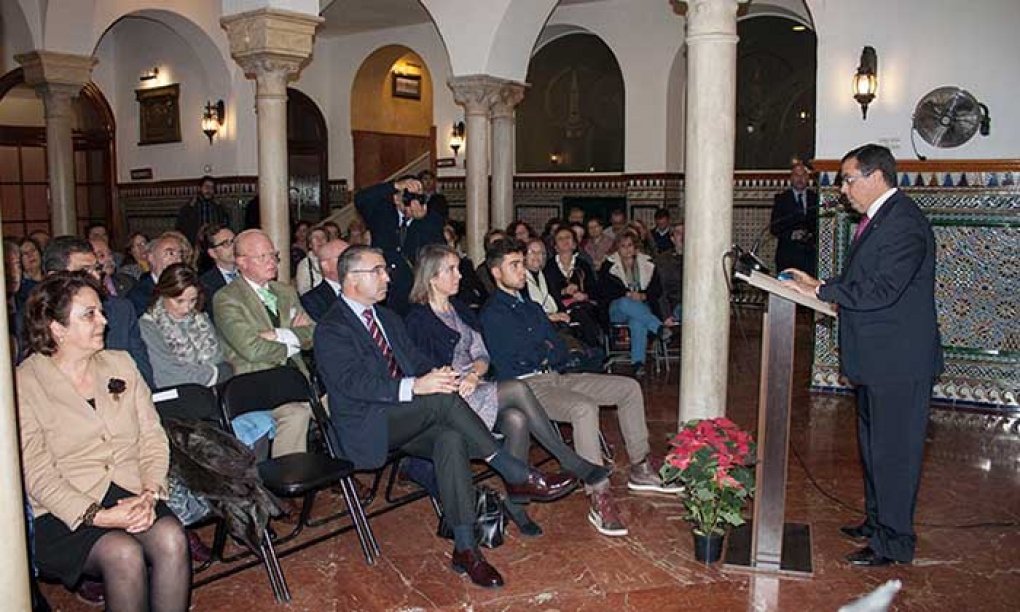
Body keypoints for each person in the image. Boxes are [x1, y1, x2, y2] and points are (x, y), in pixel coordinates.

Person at [314, 245, 577, 588]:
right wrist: (416, 386)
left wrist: (443, 375)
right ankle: (514, 471)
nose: (388, 277)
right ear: (351, 279)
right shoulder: (332, 327)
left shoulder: (388, 318)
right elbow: (351, 383)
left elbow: (417, 361)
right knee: (441, 402)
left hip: (408, 415)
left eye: (385, 270)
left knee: (449, 438)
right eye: (377, 271)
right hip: (368, 423)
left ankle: (466, 549)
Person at [783, 144, 943, 567]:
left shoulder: (904, 222)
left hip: (899, 363)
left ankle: (894, 542)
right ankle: (877, 523)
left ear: (876, 177)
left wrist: (820, 292)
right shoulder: (881, 220)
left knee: (895, 453)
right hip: (877, 361)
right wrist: (820, 284)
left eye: (848, 179)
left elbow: (882, 291)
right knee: (874, 449)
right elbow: (864, 280)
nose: (842, 189)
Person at [405, 245, 612, 533]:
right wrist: (460, 378)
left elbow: (482, 355)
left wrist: (475, 374)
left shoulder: (460, 309)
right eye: (451, 270)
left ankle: (516, 503)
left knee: (517, 418)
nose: (459, 276)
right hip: (448, 399)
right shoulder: (418, 319)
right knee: (515, 389)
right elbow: (421, 369)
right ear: (431, 277)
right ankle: (570, 461)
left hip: (474, 387)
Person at [17, 272, 191, 612]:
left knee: (172, 539)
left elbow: (152, 436)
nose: (104, 321)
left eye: (101, 311)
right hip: (64, 506)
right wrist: (99, 517)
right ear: (57, 327)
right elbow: (36, 473)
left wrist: (149, 493)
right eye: (90, 315)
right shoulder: (24, 383)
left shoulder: (120, 363)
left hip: (130, 488)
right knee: (122, 553)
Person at [480, 239, 678, 538]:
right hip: (528, 388)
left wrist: (546, 350)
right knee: (583, 408)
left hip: (559, 375)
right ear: (496, 272)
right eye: (515, 265)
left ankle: (640, 465)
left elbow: (558, 347)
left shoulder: (532, 307)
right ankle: (598, 494)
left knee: (628, 388)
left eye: (523, 264)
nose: (523, 271)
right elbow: (513, 359)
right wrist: (544, 350)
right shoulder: (492, 314)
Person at [213, 230, 315, 458]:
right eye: (263, 257)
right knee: (296, 414)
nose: (272, 262)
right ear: (241, 262)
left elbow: (313, 333)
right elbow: (252, 350)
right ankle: (289, 477)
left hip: (297, 379)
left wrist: (278, 334)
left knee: (345, 400)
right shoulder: (227, 298)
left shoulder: (286, 291)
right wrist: (293, 338)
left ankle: (345, 470)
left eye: (274, 255)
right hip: (258, 384)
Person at [42, 236, 155, 389]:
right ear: (54, 277)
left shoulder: (120, 310)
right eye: (83, 271)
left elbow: (143, 375)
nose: (95, 276)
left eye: (96, 269)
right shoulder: (36, 317)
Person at [355, 175, 443, 315]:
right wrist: (394, 186)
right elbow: (361, 199)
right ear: (396, 199)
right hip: (384, 290)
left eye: (417, 197)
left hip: (414, 291)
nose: (412, 202)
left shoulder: (431, 220)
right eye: (407, 196)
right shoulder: (381, 214)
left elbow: (437, 252)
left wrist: (421, 220)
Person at [598, 230, 676, 376]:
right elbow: (603, 291)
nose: (627, 249)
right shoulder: (608, 266)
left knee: (637, 321)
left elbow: (657, 290)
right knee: (625, 302)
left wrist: (643, 295)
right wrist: (625, 293)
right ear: (617, 248)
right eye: (623, 246)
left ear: (635, 247)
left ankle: (638, 363)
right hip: (617, 308)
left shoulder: (648, 264)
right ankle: (658, 328)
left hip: (641, 307)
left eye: (630, 245)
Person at [770, 162, 819, 275]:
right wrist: (792, 234)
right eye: (797, 175)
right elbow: (774, 228)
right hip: (788, 256)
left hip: (810, 257)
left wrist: (810, 235)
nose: (800, 179)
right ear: (791, 178)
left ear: (808, 178)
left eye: (803, 175)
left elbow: (821, 225)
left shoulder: (816, 198)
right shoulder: (781, 199)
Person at [126, 233, 185, 317]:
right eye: (170, 253)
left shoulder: (187, 287)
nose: (178, 260)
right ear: (151, 258)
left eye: (180, 254)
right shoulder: (138, 296)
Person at [300, 239, 350, 322]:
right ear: (326, 265)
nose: (353, 262)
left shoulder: (365, 291)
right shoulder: (311, 301)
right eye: (345, 258)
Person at [196, 224, 237, 321]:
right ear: (213, 253)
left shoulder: (251, 272)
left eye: (234, 241)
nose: (234, 247)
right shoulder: (205, 284)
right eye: (226, 244)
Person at [176, 176, 229, 246]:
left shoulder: (219, 207)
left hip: (214, 242)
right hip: (194, 243)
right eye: (206, 187)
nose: (209, 190)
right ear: (200, 188)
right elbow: (181, 227)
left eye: (211, 188)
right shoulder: (190, 207)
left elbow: (225, 223)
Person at [654, 222, 684, 322]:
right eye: (679, 233)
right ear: (672, 238)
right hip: (674, 305)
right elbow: (660, 290)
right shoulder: (663, 261)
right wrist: (666, 315)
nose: (683, 236)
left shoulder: (700, 259)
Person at [295, 226, 328, 295]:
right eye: (315, 238)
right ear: (310, 244)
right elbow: (303, 292)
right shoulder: (304, 264)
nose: (320, 240)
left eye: (323, 237)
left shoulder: (335, 260)